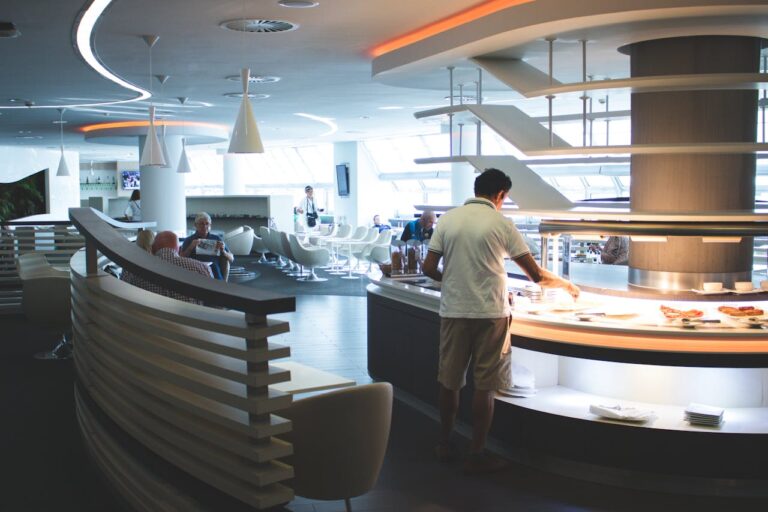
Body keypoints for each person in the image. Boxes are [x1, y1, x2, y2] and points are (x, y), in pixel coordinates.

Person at [422, 168, 579, 475]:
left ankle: (443, 443)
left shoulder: (448, 219)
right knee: (485, 386)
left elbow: (429, 267)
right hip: (490, 314)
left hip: (453, 311)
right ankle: (476, 453)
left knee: (449, 381)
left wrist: (452, 282)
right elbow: (535, 275)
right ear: (500, 195)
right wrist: (568, 286)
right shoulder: (502, 223)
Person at [122, 230, 213, 303]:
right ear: (179, 249)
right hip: (190, 323)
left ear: (153, 248)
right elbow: (214, 302)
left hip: (147, 323)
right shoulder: (201, 268)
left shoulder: (131, 270)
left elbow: (125, 297)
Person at [180, 212, 234, 281]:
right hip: (196, 269)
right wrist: (190, 247)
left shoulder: (216, 239)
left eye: (207, 224)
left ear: (210, 225)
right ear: (195, 225)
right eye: (201, 224)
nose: (205, 226)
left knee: (214, 267)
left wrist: (223, 251)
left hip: (213, 269)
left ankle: (219, 287)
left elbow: (232, 258)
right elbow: (181, 258)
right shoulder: (189, 240)